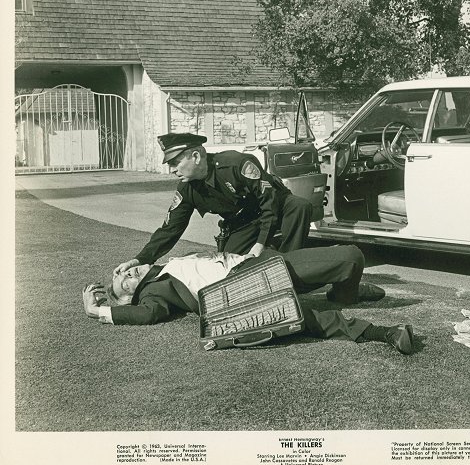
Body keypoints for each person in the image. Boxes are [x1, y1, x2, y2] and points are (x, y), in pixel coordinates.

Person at [85, 245, 414, 355]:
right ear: (129, 295)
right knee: (306, 316)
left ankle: (346, 294)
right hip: (242, 293)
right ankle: (386, 334)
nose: (127, 272)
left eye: (124, 269)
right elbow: (147, 314)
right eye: (123, 280)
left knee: (350, 257)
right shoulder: (153, 292)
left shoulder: (167, 264)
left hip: (263, 265)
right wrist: (100, 310)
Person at [113, 133, 313, 276]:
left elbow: (269, 202)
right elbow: (170, 229)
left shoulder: (236, 163)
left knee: (299, 206)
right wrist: (141, 259)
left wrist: (259, 244)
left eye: (175, 163)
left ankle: (291, 269)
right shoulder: (187, 188)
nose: (172, 170)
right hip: (244, 220)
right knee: (230, 268)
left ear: (196, 156)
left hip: (275, 204)